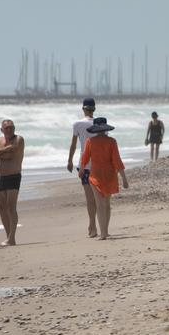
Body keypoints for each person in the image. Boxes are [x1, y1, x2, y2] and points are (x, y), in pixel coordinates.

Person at [81, 117, 129, 241]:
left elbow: (85, 158)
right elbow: (117, 161)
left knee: (100, 204)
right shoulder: (112, 141)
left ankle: (103, 233)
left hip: (95, 175)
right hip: (109, 175)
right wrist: (124, 178)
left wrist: (81, 169)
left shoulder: (90, 141)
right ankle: (105, 232)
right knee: (106, 204)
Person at [0, 119, 25, 247]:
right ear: (2, 130)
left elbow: (12, 154)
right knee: (1, 207)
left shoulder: (19, 139)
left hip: (13, 176)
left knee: (11, 206)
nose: (9, 130)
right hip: (1, 177)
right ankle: (9, 237)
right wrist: (5, 150)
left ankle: (11, 238)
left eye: (11, 127)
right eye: (6, 128)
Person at [67, 97, 98, 237]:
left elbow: (73, 145)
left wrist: (69, 161)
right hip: (99, 164)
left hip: (84, 165)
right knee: (98, 196)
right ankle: (96, 225)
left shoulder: (77, 124)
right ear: (94, 109)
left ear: (83, 108)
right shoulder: (100, 124)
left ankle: (92, 225)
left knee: (89, 198)